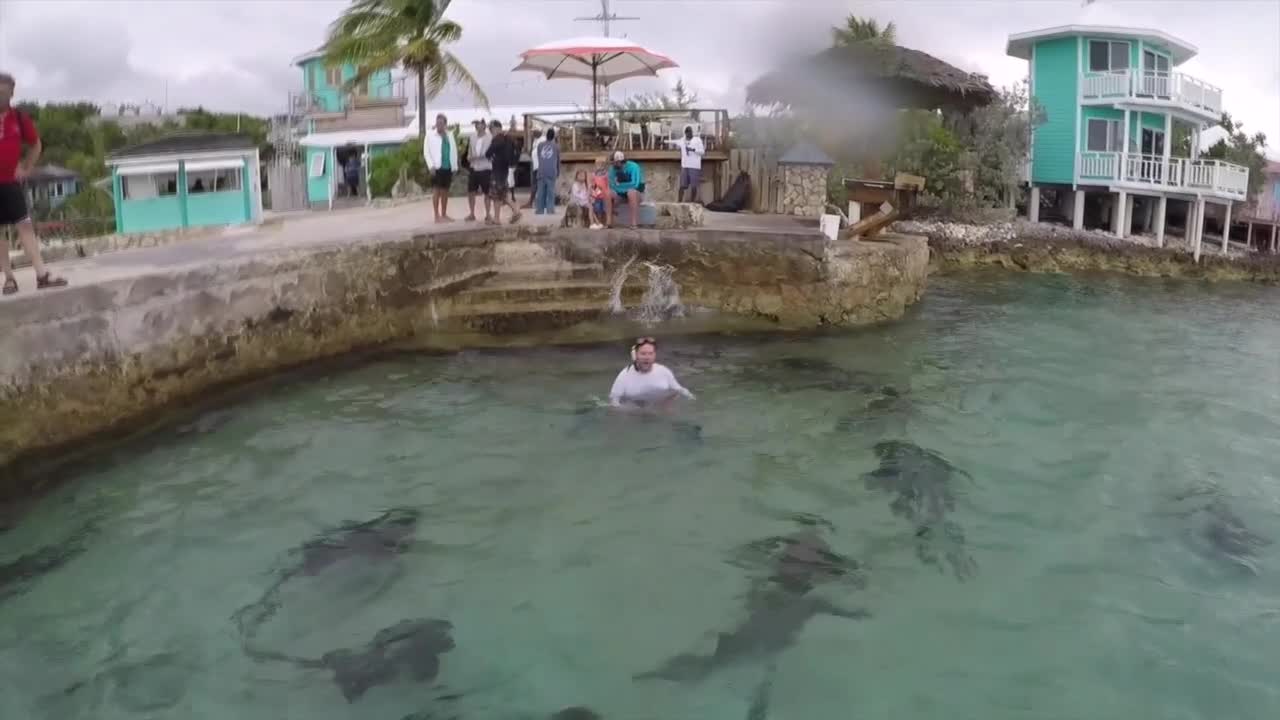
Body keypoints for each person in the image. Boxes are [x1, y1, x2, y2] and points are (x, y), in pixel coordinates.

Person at [0, 72, 67, 295]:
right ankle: (9, 278)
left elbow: (36, 144)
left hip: (11, 183)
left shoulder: (19, 118)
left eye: (5, 89)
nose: (1, 93)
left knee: (25, 226)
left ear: (11, 92)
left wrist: (26, 167)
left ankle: (42, 275)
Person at [609, 337, 695, 410]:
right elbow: (614, 401)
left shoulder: (663, 371)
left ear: (654, 355)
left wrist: (692, 398)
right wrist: (633, 411)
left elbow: (679, 389)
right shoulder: (625, 375)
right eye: (643, 354)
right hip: (635, 412)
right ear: (635, 355)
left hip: (661, 409)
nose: (647, 357)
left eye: (650, 353)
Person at [422, 113, 459, 223]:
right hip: (436, 167)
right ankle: (436, 216)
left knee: (445, 192)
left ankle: (444, 214)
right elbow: (426, 152)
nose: (439, 125)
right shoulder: (430, 135)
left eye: (441, 123)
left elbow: (454, 151)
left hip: (447, 167)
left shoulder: (450, 135)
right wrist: (431, 166)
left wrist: (455, 166)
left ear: (445, 124)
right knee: (436, 191)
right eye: (437, 123)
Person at [484, 120, 521, 225]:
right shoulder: (508, 138)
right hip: (504, 170)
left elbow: (488, 152)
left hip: (497, 171)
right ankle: (515, 211)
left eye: (491, 129)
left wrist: (489, 155)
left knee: (496, 195)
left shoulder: (498, 139)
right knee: (502, 195)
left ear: (496, 128)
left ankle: (497, 218)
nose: (490, 131)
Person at [667, 125, 705, 203]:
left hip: (695, 166)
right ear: (685, 133)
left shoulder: (697, 140)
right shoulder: (682, 140)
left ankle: (692, 203)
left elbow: (702, 152)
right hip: (685, 166)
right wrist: (665, 141)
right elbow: (674, 142)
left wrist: (693, 150)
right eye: (686, 133)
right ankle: (679, 202)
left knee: (694, 186)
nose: (688, 134)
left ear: (692, 132)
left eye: (689, 132)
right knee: (682, 185)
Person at [606, 151, 644, 229]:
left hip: (636, 193)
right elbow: (612, 185)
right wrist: (621, 188)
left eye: (614, 163)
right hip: (620, 194)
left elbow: (635, 184)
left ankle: (634, 223)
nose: (613, 165)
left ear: (620, 162)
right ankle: (609, 222)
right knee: (608, 193)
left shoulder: (634, 167)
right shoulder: (612, 169)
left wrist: (619, 186)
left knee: (631, 192)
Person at [466, 119, 492, 223]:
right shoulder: (472, 137)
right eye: (475, 124)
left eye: (478, 124)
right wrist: (469, 157)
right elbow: (470, 151)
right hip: (474, 167)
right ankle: (472, 213)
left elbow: (490, 153)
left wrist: (479, 157)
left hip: (485, 167)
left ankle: (488, 214)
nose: (477, 126)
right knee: (471, 191)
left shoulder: (489, 137)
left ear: (484, 125)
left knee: (487, 192)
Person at [534, 128, 560, 215]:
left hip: (541, 171)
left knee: (541, 192)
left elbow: (539, 157)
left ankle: (539, 210)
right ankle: (550, 210)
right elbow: (558, 160)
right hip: (551, 172)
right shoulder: (556, 146)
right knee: (550, 192)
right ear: (553, 136)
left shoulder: (540, 145)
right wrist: (558, 171)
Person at [523, 129, 546, 210]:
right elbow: (531, 152)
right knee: (534, 185)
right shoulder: (535, 140)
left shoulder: (543, 139)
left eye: (534, 132)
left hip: (541, 166)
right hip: (535, 166)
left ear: (539, 131)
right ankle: (531, 203)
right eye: (532, 132)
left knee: (539, 185)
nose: (533, 133)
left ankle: (537, 203)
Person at [590, 158, 609, 229]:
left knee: (605, 209)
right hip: (597, 195)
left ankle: (606, 223)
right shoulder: (594, 174)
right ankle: (599, 223)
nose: (600, 166)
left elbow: (608, 184)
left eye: (602, 164)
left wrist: (607, 192)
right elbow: (592, 184)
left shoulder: (606, 174)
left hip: (605, 194)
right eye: (598, 164)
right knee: (598, 210)